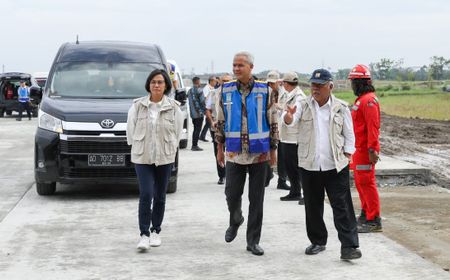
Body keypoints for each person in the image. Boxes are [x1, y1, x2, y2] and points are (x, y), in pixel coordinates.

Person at [283, 69, 361, 260]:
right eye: (313, 85)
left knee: (342, 206)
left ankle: (349, 247)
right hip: (309, 165)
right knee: (313, 206)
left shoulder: (341, 107)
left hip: (336, 165)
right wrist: (288, 116)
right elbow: (290, 123)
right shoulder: (302, 105)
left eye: (320, 85)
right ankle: (318, 241)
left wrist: (348, 154)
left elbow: (349, 135)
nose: (315, 89)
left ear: (330, 86)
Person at [216, 51, 279, 256]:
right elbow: (220, 121)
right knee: (231, 194)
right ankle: (235, 218)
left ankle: (253, 241)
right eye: (234, 65)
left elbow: (272, 121)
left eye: (240, 65)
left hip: (259, 154)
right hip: (234, 153)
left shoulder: (265, 90)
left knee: (256, 199)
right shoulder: (225, 90)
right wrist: (219, 148)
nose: (236, 69)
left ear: (251, 67)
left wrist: (273, 152)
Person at [126, 69, 184, 251]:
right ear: (148, 85)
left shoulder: (174, 107)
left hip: (165, 157)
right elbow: (130, 132)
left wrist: (168, 149)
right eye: (153, 82)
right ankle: (144, 234)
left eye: (160, 82)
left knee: (160, 196)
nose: (156, 85)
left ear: (166, 85)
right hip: (142, 157)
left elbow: (177, 132)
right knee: (146, 194)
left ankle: (155, 231)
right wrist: (138, 147)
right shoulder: (137, 106)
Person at [348, 64, 382, 233]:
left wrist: (372, 150)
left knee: (367, 184)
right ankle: (366, 213)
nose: (352, 85)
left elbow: (372, 127)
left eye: (353, 82)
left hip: (365, 151)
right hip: (358, 150)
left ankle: (374, 219)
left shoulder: (368, 101)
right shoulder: (362, 100)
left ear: (360, 82)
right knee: (361, 183)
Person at [278, 71, 306, 203]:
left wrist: (285, 113)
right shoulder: (291, 95)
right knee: (290, 167)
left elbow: (293, 117)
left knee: (296, 167)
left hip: (293, 138)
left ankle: (301, 192)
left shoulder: (299, 97)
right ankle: (295, 191)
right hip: (287, 137)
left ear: (286, 84)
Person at [206, 74, 232, 185]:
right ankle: (222, 175)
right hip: (217, 127)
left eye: (228, 81)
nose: (226, 83)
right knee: (218, 150)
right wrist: (211, 122)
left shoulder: (237, 94)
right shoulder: (213, 93)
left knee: (232, 152)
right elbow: (208, 109)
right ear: (219, 81)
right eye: (224, 81)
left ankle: (231, 175)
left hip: (232, 128)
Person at [266, 70, 289, 190]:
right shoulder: (264, 93)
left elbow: (289, 108)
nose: (270, 85)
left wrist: (278, 106)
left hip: (282, 129)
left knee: (282, 157)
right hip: (268, 128)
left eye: (273, 83)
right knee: (267, 153)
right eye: (269, 83)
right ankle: (268, 174)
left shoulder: (285, 94)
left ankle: (282, 180)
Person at [188, 77, 206, 151]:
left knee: (195, 129)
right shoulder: (200, 90)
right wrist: (205, 110)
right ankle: (194, 145)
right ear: (198, 81)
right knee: (197, 129)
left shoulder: (189, 91)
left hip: (192, 114)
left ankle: (194, 144)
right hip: (199, 113)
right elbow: (202, 102)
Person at [199, 76, 217, 142]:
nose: (216, 82)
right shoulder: (207, 88)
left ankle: (203, 136)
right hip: (208, 108)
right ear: (211, 81)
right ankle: (211, 137)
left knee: (208, 123)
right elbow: (205, 98)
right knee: (209, 122)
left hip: (211, 108)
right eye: (215, 81)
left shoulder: (212, 88)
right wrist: (207, 109)